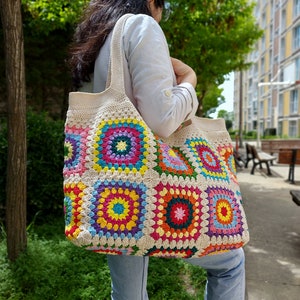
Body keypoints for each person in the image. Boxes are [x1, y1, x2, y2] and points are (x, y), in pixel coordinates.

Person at [68, 1, 246, 299]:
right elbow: (161, 120)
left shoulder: (99, 45)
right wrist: (189, 81)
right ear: (152, 2)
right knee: (230, 262)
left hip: (116, 190)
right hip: (149, 188)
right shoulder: (141, 25)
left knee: (128, 293)